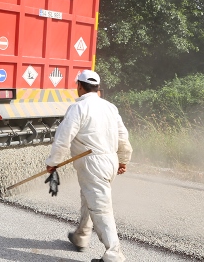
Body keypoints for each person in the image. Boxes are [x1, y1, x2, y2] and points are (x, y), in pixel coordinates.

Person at [44, 69, 132, 262]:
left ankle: (113, 254)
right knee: (89, 197)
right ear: (97, 88)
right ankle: (81, 237)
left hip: (93, 163)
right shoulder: (110, 107)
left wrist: (53, 162)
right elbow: (123, 136)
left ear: (79, 86)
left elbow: (63, 139)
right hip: (110, 160)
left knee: (100, 207)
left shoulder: (78, 108)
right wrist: (123, 159)